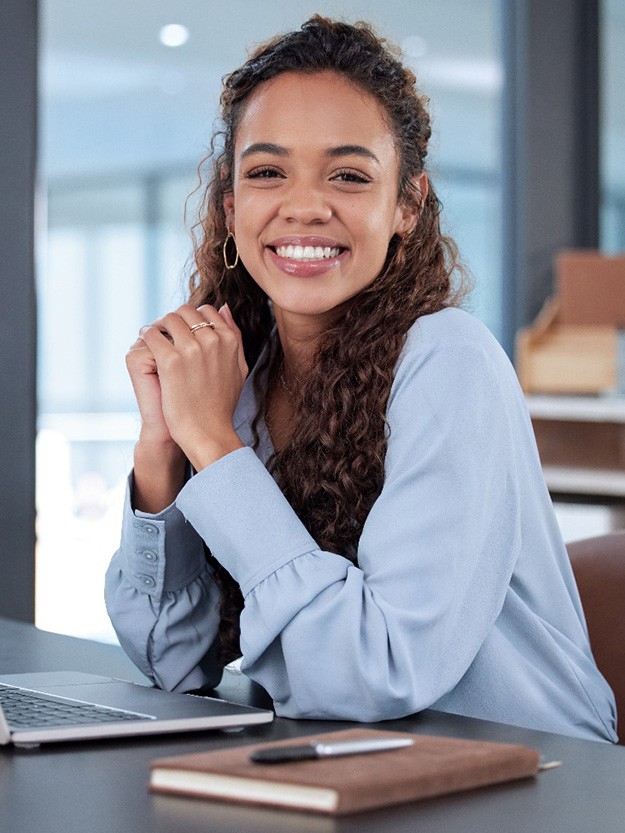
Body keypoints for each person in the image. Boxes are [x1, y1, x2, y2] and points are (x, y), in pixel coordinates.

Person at [105, 16, 617, 742]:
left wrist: (215, 448)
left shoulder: (449, 361)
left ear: (406, 205)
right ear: (230, 206)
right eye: (266, 172)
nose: (305, 205)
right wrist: (164, 444)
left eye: (347, 174)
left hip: (527, 780)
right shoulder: (239, 377)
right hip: (350, 765)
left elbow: (375, 672)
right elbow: (171, 661)